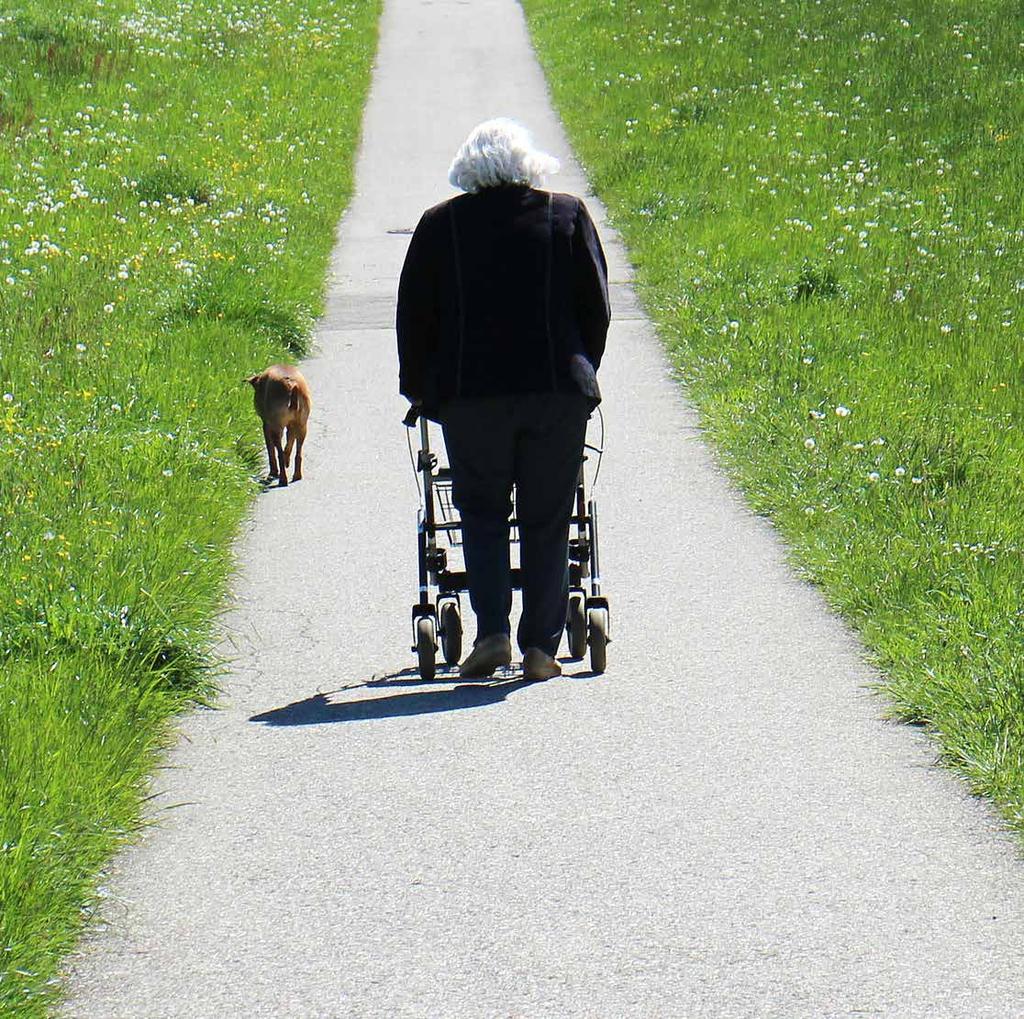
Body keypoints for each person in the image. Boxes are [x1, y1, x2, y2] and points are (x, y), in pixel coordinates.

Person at [396, 118, 610, 682]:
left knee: (482, 511)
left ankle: (492, 632)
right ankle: (540, 648)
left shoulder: (439, 226)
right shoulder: (565, 215)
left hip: (472, 398)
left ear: (468, 169)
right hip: (554, 392)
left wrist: (423, 391)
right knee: (548, 514)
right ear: (528, 164)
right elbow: (596, 307)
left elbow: (414, 318)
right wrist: (582, 369)